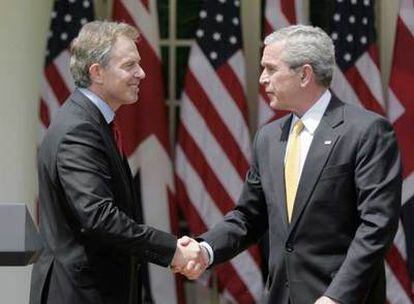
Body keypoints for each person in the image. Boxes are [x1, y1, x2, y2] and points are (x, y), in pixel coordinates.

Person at [177, 25, 402, 304]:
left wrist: (337, 296)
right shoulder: (269, 137)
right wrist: (206, 248)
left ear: (305, 74)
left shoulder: (366, 131)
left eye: (271, 69)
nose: (262, 79)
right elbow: (249, 215)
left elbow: (377, 224)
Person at [30, 21, 206, 304]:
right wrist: (172, 249)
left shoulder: (93, 122)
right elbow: (99, 217)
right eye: (129, 65)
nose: (142, 73)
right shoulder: (80, 128)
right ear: (97, 72)